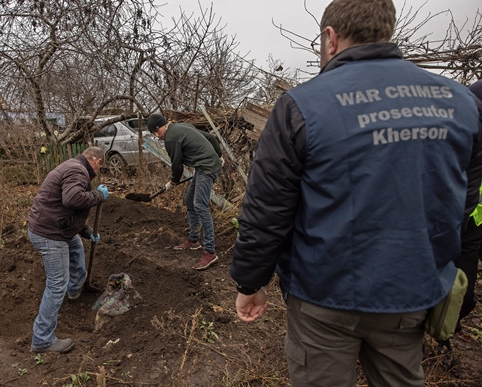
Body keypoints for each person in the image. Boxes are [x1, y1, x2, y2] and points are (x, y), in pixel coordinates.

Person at [230, 0, 482, 385]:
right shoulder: (461, 102)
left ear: (330, 38)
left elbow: (268, 208)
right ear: (387, 31)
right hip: (410, 292)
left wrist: (250, 282)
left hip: (324, 296)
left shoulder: (301, 105)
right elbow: (463, 204)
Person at [27, 146, 109, 354]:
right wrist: (98, 196)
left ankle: (75, 289)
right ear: (96, 160)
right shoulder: (78, 171)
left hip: (53, 226)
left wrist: (87, 231)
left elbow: (66, 210)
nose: (98, 171)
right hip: (49, 235)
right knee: (56, 284)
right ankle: (42, 340)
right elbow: (72, 199)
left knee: (75, 244)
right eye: (100, 166)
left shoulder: (73, 167)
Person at [437, 78, 482, 359]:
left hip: (474, 221)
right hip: (451, 217)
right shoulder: (472, 100)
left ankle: (443, 336)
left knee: (464, 297)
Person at [147, 113, 223, 270]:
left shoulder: (171, 138)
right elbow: (210, 137)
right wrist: (219, 155)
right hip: (204, 166)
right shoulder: (182, 126)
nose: (156, 136)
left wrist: (173, 181)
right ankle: (194, 240)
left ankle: (210, 252)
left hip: (206, 168)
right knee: (190, 201)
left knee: (200, 205)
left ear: (160, 127)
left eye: (155, 132)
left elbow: (177, 166)